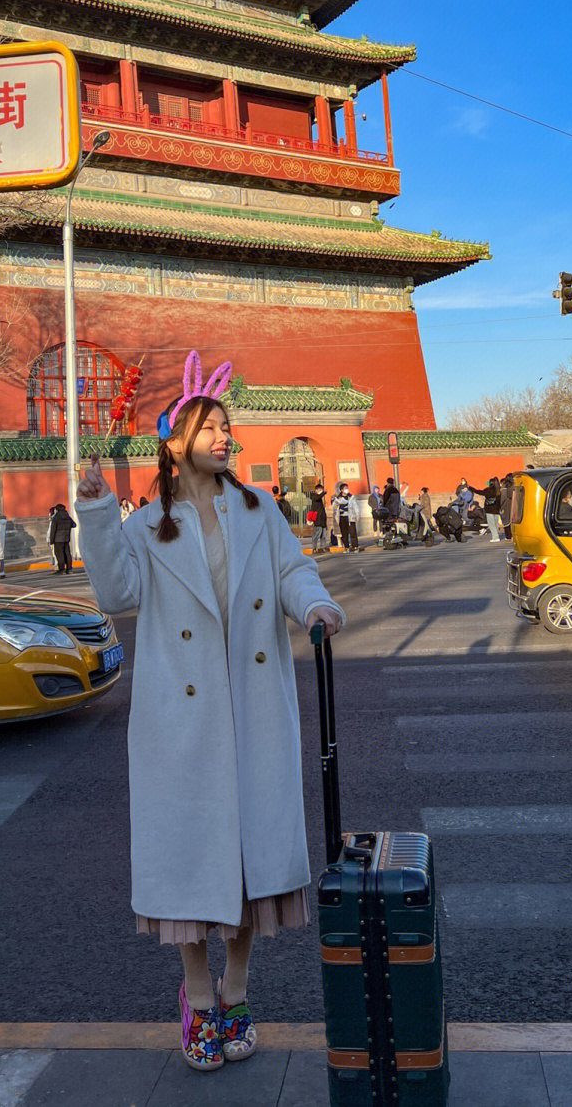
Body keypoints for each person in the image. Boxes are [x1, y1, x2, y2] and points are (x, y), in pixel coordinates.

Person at [73, 352, 344, 1074]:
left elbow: (293, 571)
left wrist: (315, 606)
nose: (225, 437)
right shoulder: (146, 526)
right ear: (174, 442)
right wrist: (97, 513)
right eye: (210, 427)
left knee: (251, 859)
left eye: (228, 427)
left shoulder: (259, 509)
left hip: (253, 710)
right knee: (192, 859)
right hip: (181, 722)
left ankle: (238, 989)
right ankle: (198, 995)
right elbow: (117, 596)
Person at [47, 502, 75, 573]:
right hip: (66, 538)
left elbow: (53, 530)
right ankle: (69, 569)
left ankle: (61, 569)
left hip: (58, 539)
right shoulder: (67, 516)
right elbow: (74, 525)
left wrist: (51, 540)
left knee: (59, 554)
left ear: (57, 510)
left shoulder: (56, 518)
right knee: (67, 553)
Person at [308, 481, 329, 554]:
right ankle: (314, 548)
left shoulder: (319, 498)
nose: (321, 491)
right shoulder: (314, 496)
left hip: (322, 518)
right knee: (317, 534)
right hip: (317, 519)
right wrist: (324, 493)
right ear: (316, 490)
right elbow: (317, 497)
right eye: (320, 490)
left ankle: (323, 547)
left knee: (323, 535)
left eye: (322, 490)